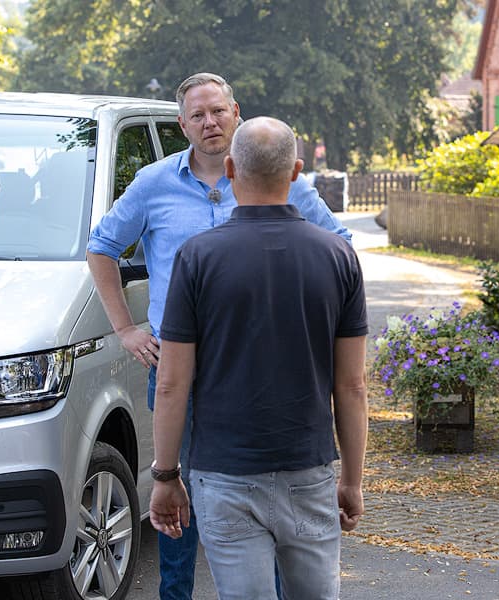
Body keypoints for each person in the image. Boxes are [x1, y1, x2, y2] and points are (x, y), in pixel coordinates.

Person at [85, 73, 350, 599]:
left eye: (218, 111)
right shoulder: (154, 183)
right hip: (178, 368)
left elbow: (338, 245)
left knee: (272, 492)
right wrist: (126, 328)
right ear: (182, 125)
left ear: (236, 113)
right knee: (173, 490)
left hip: (259, 367)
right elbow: (102, 247)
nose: (210, 122)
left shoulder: (279, 179)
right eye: (198, 115)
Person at [149, 116, 369, 599]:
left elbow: (171, 383)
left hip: (223, 474)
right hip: (308, 469)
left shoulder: (196, 257)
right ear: (296, 172)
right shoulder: (338, 256)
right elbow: (352, 385)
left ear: (230, 168)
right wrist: (352, 480)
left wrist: (166, 475)